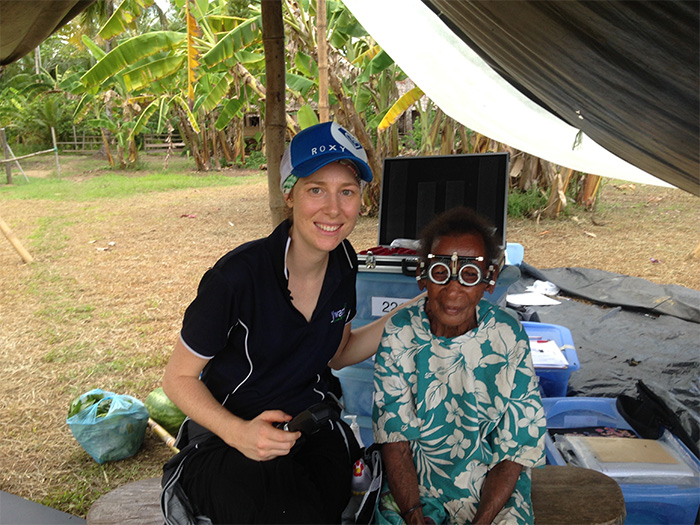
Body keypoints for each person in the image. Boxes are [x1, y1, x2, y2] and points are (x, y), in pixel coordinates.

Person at [160, 122, 394, 524]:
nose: (333, 209)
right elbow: (177, 379)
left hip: (311, 427)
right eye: (316, 189)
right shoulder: (236, 278)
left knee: (335, 506)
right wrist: (239, 433)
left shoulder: (345, 263)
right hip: (229, 438)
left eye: (347, 192)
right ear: (290, 193)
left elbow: (337, 355)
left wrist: (411, 314)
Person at [372, 207, 546, 524]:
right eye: (440, 273)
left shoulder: (508, 337)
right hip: (415, 488)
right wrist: (414, 516)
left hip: (489, 491)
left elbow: (515, 450)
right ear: (422, 275)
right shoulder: (400, 333)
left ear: (489, 281)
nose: (453, 290)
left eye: (469, 275)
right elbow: (395, 438)